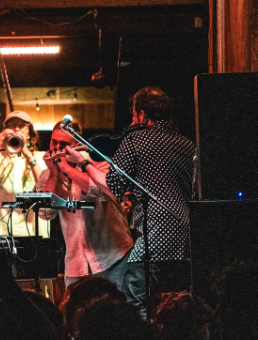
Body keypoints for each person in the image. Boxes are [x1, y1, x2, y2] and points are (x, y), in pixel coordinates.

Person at [70, 87, 196, 314]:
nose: (131, 119)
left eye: (133, 113)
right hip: (188, 238)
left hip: (155, 236)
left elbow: (112, 186)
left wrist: (84, 163)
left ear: (143, 114)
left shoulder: (135, 141)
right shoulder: (187, 144)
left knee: (134, 296)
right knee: (180, 301)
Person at [38, 118, 133, 290]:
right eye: (54, 142)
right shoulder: (47, 175)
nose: (56, 149)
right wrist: (54, 174)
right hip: (76, 263)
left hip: (112, 256)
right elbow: (45, 213)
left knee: (118, 312)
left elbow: (96, 192)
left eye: (63, 144)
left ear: (76, 146)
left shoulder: (98, 163)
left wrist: (67, 168)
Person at [0, 110, 48, 237]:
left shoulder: (39, 158)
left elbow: (46, 190)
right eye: (11, 125)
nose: (16, 128)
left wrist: (28, 155)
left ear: (29, 134)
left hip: (30, 234)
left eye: (22, 125)